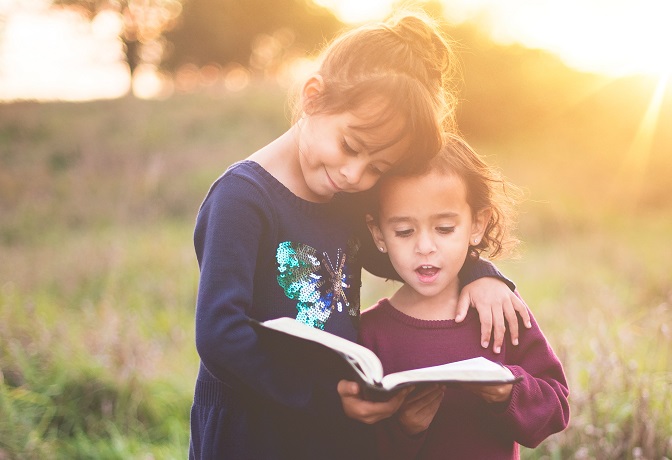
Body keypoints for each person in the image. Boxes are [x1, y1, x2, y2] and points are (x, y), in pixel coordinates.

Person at [188, 11, 531, 460]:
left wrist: (479, 273)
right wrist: (326, 397)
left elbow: (408, 258)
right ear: (314, 97)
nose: (354, 174)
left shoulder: (344, 199)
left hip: (332, 426)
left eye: (378, 168)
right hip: (252, 427)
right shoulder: (242, 199)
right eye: (351, 146)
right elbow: (219, 334)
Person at [360, 134, 570, 459]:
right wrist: (404, 428)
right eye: (404, 231)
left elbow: (555, 409)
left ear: (477, 225)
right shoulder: (370, 334)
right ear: (378, 234)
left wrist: (507, 391)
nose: (425, 246)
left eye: (444, 229)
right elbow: (352, 441)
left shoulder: (497, 310)